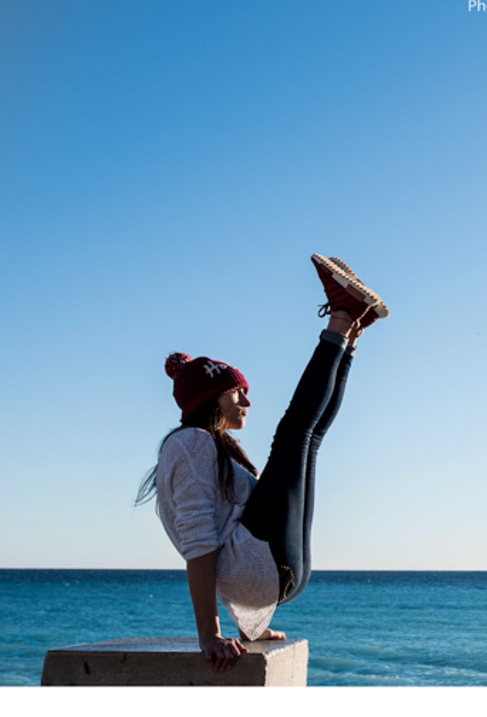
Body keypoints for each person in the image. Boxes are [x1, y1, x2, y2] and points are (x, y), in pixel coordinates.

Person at [135, 254, 388, 671]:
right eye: (238, 392)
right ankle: (343, 315)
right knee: (296, 434)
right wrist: (210, 635)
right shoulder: (190, 444)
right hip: (268, 568)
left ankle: (351, 329)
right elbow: (200, 546)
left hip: (276, 573)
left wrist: (250, 628)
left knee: (309, 437)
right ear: (209, 398)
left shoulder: (209, 448)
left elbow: (221, 539)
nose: (248, 401)